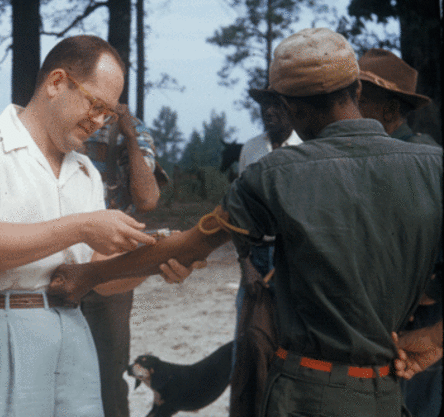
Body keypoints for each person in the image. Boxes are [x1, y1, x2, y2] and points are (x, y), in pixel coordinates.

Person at [48, 27, 443, 417]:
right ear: (356, 90)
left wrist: (87, 276)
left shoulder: (277, 175)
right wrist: (433, 338)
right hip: (387, 394)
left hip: (305, 394)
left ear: (286, 105)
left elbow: (189, 246)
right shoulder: (432, 167)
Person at [0, 34, 190, 417]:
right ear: (55, 82)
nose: (99, 122)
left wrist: (155, 262)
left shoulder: (84, 172)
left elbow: (98, 274)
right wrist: (80, 227)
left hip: (71, 334)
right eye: (95, 104)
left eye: (109, 114)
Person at [356, 47, 442, 417]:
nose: (347, 112)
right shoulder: (376, 161)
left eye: (359, 101)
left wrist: (428, 290)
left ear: (390, 110)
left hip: (418, 328)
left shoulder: (420, 160)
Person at [78, 105, 167, 417]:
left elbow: (147, 199)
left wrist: (128, 136)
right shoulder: (59, 124)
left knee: (109, 374)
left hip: (112, 267)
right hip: (58, 260)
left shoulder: (129, 129)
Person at [229, 89, 301, 416]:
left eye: (278, 104)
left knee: (286, 346)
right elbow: (238, 212)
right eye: (265, 106)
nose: (270, 112)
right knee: (247, 343)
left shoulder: (307, 149)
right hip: (256, 257)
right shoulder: (251, 149)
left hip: (294, 260)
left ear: (292, 108)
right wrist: (246, 264)